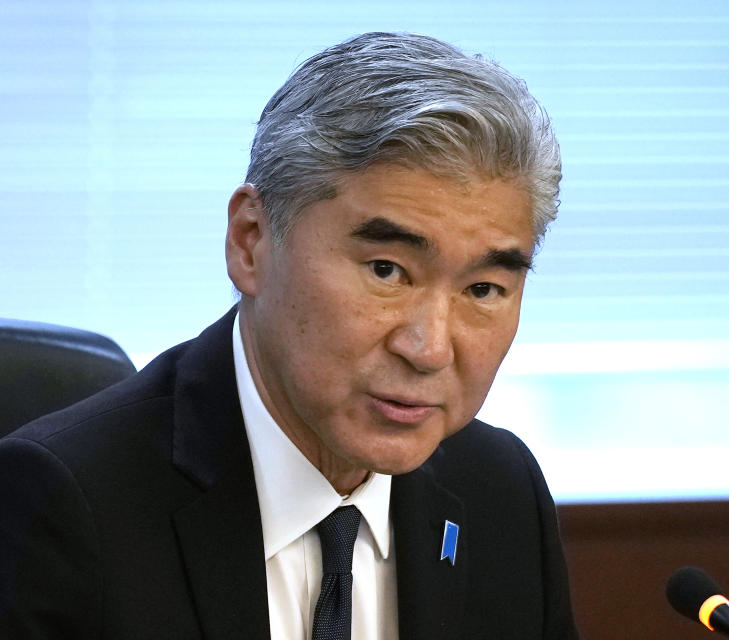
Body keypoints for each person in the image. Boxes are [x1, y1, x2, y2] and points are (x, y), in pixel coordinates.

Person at [0, 32, 578, 639]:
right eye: (387, 270)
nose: (429, 348)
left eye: (483, 289)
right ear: (251, 241)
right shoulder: (66, 509)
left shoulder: (499, 491)